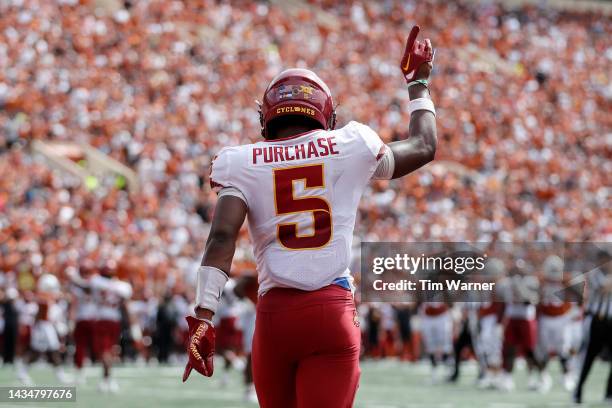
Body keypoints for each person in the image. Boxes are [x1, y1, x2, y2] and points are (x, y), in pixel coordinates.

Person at [182, 25, 436, 407]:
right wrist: (418, 84)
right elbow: (424, 145)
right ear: (326, 113)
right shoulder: (351, 143)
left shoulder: (240, 161)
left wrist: (204, 313)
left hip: (275, 316)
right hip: (330, 309)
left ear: (267, 114)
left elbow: (221, 239)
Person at [573, 251, 612, 404]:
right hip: (598, 321)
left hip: (611, 322)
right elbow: (604, 288)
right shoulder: (595, 274)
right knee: (590, 356)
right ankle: (578, 391)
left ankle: (609, 393)